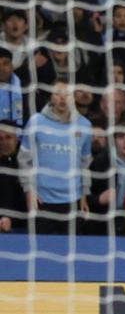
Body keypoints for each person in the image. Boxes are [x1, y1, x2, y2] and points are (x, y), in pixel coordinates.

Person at [18, 81, 93, 235]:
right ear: (51, 97)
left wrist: (84, 195)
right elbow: (24, 160)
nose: (62, 99)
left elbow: (85, 164)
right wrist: (29, 191)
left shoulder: (85, 126)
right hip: (41, 201)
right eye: (57, 94)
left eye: (67, 95)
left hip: (73, 201)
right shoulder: (36, 122)